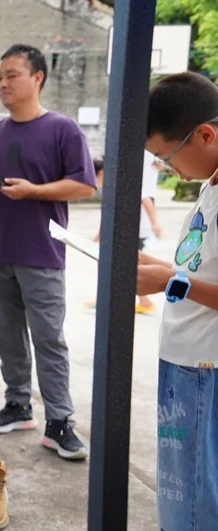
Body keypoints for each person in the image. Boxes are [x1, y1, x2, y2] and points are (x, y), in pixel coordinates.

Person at [0, 44, 95, 462]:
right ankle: (18, 403)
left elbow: (84, 185)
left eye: (11, 75)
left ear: (37, 78)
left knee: (49, 339)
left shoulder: (63, 129)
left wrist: (34, 192)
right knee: (6, 336)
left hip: (43, 251)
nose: (3, 83)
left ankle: (60, 420)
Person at [137, 71, 218, 531]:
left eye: (166, 157)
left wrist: (173, 281)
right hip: (185, 359)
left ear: (205, 134)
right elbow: (200, 266)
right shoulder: (210, 185)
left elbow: (187, 281)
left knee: (195, 501)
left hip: (207, 367)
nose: (168, 168)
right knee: (180, 491)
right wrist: (157, 265)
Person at [92, 150, 163, 313]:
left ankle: (142, 301)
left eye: (95, 177)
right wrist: (100, 233)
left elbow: (145, 200)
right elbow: (111, 212)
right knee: (122, 264)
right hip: (125, 230)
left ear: (101, 172)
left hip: (134, 230)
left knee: (128, 264)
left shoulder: (124, 182)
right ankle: (130, 300)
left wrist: (154, 223)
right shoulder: (112, 185)